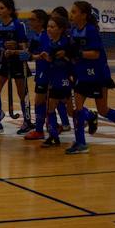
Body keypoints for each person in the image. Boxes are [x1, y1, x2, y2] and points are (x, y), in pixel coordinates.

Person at [66, 1, 115, 154]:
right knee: (76, 109)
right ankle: (81, 143)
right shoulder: (72, 30)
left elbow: (95, 54)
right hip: (81, 74)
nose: (71, 14)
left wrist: (79, 53)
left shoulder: (91, 30)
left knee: (103, 109)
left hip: (97, 75)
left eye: (74, 11)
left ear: (84, 15)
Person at [0, 0, 31, 135]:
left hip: (18, 62)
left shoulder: (17, 25)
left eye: (2, 8)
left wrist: (16, 47)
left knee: (22, 93)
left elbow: (24, 45)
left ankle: (27, 121)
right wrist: (3, 46)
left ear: (9, 10)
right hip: (5, 61)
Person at [37, 14, 74, 147]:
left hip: (64, 79)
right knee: (55, 108)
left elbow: (73, 59)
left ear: (61, 29)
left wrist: (66, 56)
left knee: (60, 108)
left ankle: (89, 116)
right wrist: (46, 57)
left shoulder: (67, 43)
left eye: (52, 27)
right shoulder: (50, 43)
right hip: (54, 78)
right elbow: (51, 59)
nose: (49, 29)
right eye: (48, 26)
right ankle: (53, 136)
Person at [24, 9, 51, 140]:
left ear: (41, 22)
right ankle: (43, 129)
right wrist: (15, 52)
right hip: (41, 72)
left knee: (44, 101)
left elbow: (44, 56)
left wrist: (31, 57)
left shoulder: (45, 36)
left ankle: (40, 130)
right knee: (45, 102)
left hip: (48, 72)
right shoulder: (35, 36)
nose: (29, 22)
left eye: (32, 19)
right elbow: (29, 52)